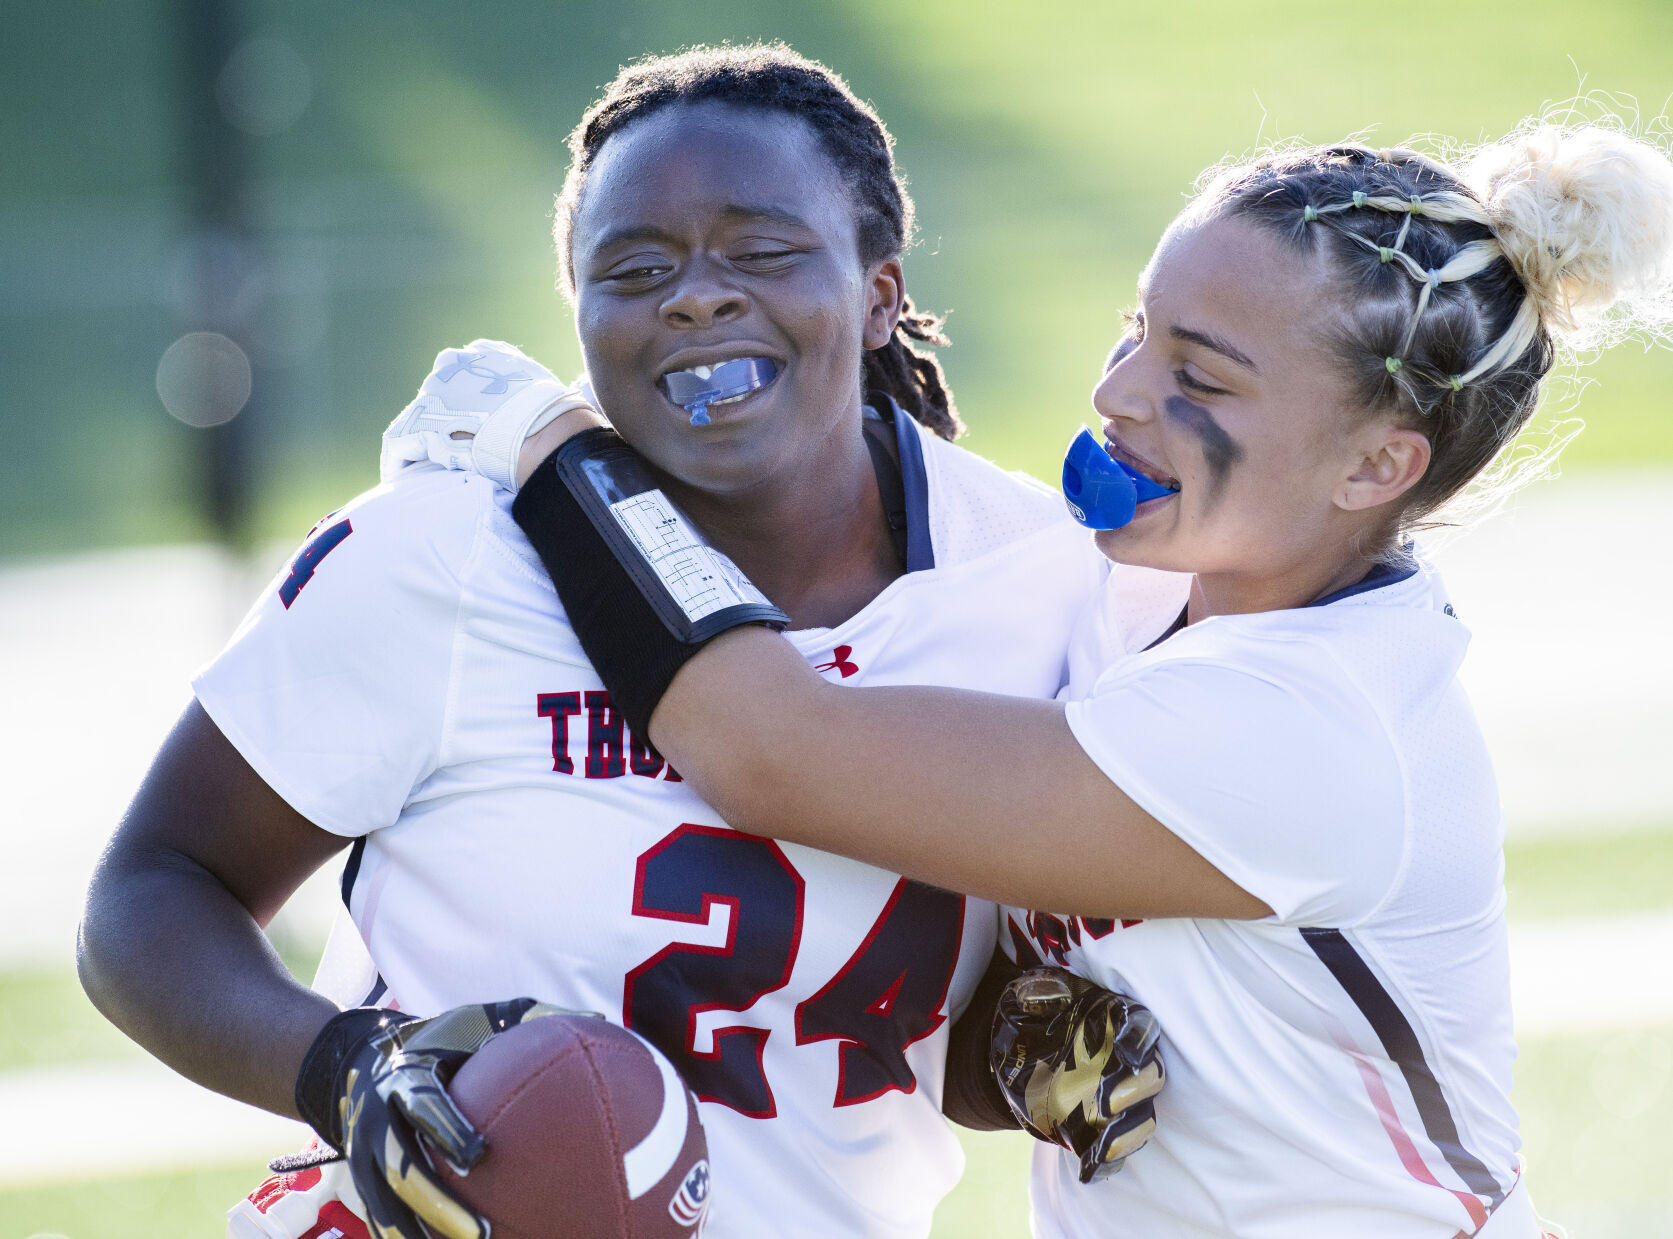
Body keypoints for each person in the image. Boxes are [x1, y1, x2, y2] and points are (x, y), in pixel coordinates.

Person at [482, 119, 1673, 1237]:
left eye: (1197, 378)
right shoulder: (1142, 595)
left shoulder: (1308, 726)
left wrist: (552, 448)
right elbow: (976, 1024)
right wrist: (1006, 1038)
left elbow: (763, 751)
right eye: (1135, 328)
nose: (1114, 392)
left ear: (1374, 465)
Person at [77, 44, 1144, 1239]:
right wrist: (345, 1066)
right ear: (578, 318)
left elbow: (857, 1028)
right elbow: (152, 892)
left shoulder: (1040, 584)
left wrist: (1015, 1043)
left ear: (881, 289)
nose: (695, 296)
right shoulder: (445, 554)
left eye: (761, 251)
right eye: (634, 269)